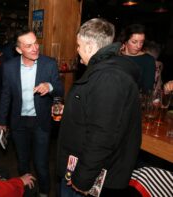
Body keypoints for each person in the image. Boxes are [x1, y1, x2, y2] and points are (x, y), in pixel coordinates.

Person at [56, 18, 141, 197]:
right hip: (79, 163)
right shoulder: (104, 69)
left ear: (88, 46)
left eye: (78, 45)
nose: (77, 51)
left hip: (86, 172)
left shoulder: (109, 77)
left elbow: (102, 135)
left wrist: (82, 179)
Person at [0, 30, 64, 196]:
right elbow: (5, 94)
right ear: (19, 50)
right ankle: (25, 191)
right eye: (29, 45)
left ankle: (44, 192)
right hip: (18, 121)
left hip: (40, 121)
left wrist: (49, 87)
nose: (35, 48)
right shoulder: (9, 67)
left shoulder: (48, 63)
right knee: (22, 162)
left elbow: (60, 89)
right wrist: (1, 120)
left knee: (41, 163)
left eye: (36, 43)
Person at [118, 23, 155, 92]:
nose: (139, 46)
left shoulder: (148, 60)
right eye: (134, 42)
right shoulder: (116, 56)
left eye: (141, 42)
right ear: (125, 41)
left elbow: (147, 89)